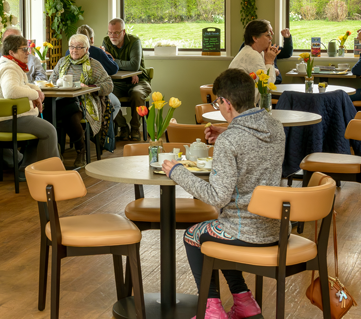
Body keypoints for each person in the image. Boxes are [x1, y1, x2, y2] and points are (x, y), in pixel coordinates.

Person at [159, 68, 286, 319]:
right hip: (276, 228)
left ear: (226, 103)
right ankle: (244, 302)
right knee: (219, 231)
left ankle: (212, 309)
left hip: (243, 229)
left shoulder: (231, 141)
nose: (218, 106)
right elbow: (251, 147)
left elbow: (218, 197)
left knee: (194, 236)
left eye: (218, 102)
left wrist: (178, 172)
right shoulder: (275, 126)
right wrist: (226, 132)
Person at [0, 34, 60, 177]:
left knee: (41, 130)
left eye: (27, 48)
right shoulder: (10, 69)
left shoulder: (9, 65)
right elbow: (11, 91)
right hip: (3, 120)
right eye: (23, 49)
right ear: (11, 53)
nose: (28, 52)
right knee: (49, 131)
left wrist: (34, 89)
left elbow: (21, 84)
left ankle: (26, 171)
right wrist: (35, 94)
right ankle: (51, 174)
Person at [51, 34, 113, 168]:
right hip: (62, 101)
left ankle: (80, 150)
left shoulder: (94, 65)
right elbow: (52, 81)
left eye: (79, 47)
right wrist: (57, 84)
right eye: (72, 47)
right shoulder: (62, 62)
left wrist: (90, 88)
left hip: (85, 102)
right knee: (56, 111)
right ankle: (57, 149)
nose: (74, 50)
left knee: (72, 117)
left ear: (86, 49)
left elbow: (109, 85)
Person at [101, 18, 152, 141]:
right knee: (105, 95)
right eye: (110, 32)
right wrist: (127, 70)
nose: (112, 36)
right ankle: (123, 127)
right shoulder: (106, 41)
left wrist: (113, 61)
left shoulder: (134, 41)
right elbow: (104, 64)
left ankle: (135, 128)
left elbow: (134, 65)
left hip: (139, 81)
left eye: (116, 32)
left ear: (123, 32)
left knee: (137, 94)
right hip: (117, 83)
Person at [68, 24, 121, 121]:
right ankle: (104, 129)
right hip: (91, 91)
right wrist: (106, 54)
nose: (75, 50)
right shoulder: (97, 52)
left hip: (72, 93)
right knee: (116, 104)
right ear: (91, 39)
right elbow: (113, 69)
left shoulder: (69, 53)